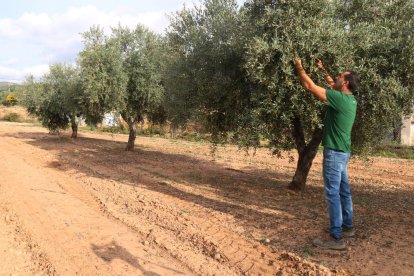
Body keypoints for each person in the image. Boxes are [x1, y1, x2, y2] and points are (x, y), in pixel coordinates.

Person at [294, 56, 359, 250]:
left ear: (345, 82)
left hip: (334, 154)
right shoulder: (350, 99)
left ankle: (336, 238)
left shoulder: (339, 99)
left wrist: (299, 67)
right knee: (343, 191)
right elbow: (332, 83)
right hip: (343, 152)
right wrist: (323, 69)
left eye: (340, 76)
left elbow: (311, 87)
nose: (336, 78)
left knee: (332, 193)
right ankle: (348, 227)